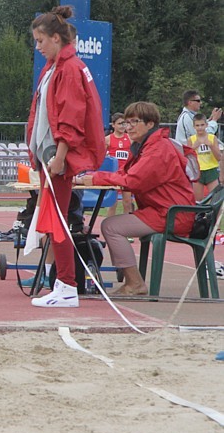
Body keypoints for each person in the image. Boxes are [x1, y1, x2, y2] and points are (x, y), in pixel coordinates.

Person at [26, 5, 106, 308]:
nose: (38, 47)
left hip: (60, 158)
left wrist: (59, 157)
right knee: (53, 219)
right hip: (51, 156)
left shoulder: (69, 69)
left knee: (57, 220)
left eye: (41, 41)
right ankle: (63, 283)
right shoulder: (56, 66)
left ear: (57, 39)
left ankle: (67, 285)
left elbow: (70, 117)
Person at [81, 102, 196, 295]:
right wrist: (95, 176)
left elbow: (134, 181)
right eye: (126, 122)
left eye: (135, 121)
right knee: (112, 224)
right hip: (163, 210)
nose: (129, 127)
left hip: (172, 214)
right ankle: (131, 281)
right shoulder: (147, 146)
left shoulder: (158, 149)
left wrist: (95, 178)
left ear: (150, 124)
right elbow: (127, 172)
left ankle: (134, 283)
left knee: (111, 226)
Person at [188, 112, 221, 201]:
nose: (200, 128)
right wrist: (193, 147)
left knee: (215, 199)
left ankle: (212, 215)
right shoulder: (191, 139)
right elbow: (187, 158)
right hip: (198, 171)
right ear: (194, 127)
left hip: (211, 170)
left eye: (202, 125)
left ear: (206, 125)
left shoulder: (212, 138)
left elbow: (219, 157)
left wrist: (211, 146)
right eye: (197, 125)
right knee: (198, 201)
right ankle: (200, 214)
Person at [105, 112, 133, 216]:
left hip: (126, 174)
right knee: (112, 203)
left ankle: (127, 226)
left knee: (127, 202)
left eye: (124, 123)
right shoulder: (108, 139)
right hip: (114, 175)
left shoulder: (130, 139)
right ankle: (108, 227)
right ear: (113, 125)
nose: (123, 126)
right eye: (120, 123)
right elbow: (103, 159)